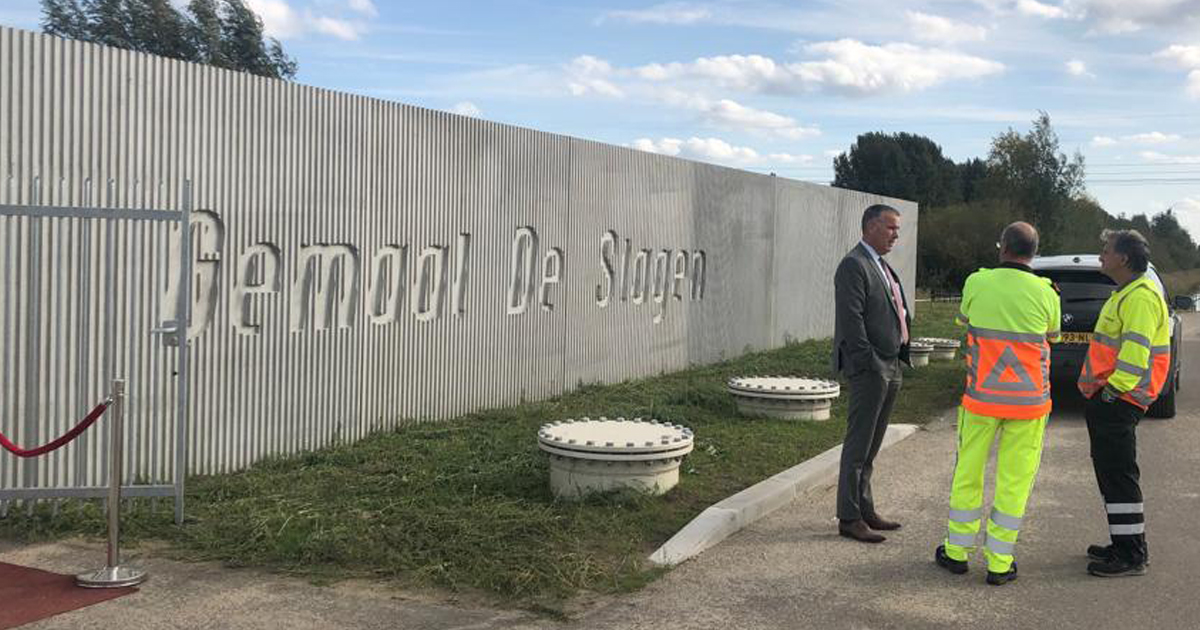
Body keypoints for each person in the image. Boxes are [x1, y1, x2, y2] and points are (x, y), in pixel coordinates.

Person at [933, 222, 1060, 586]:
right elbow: (1053, 335)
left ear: (1002, 247)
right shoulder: (1047, 292)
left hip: (981, 400)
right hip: (1029, 404)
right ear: (1034, 253)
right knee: (1014, 481)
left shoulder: (977, 282)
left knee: (968, 472)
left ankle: (956, 552)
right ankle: (1000, 563)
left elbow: (963, 319)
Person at [1077, 229, 1169, 577]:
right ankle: (1123, 542)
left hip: (1119, 399)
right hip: (1112, 397)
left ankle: (1131, 555)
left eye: (1106, 250)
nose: (1101, 255)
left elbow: (1135, 356)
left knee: (1119, 476)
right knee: (1111, 474)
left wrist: (1112, 392)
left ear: (1124, 258)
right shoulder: (1127, 293)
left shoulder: (1140, 298)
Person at [832, 203, 911, 543]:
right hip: (871, 367)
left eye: (897, 229)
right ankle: (849, 518)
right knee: (858, 445)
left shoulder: (881, 265)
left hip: (891, 363)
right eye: (891, 227)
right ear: (870, 227)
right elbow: (851, 319)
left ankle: (865, 509)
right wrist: (868, 361)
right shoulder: (854, 264)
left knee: (872, 445)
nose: (896, 235)